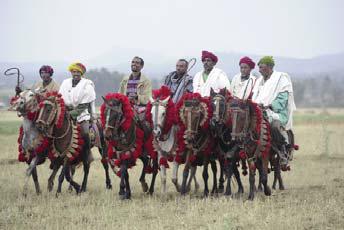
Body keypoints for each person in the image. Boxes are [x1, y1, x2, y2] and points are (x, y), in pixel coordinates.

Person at [252, 56, 296, 170]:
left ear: (270, 67)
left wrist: (270, 106)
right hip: (259, 112)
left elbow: (283, 98)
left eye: (262, 68)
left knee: (275, 126)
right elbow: (254, 97)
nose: (260, 70)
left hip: (277, 113)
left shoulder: (281, 79)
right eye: (259, 68)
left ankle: (283, 151)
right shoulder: (259, 81)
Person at [59, 62, 96, 152]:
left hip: (82, 114)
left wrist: (72, 114)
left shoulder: (87, 84)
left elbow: (84, 104)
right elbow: (60, 98)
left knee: (86, 132)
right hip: (66, 112)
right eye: (73, 71)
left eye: (78, 72)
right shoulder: (65, 83)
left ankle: (87, 152)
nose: (75, 74)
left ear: (81, 73)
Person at [118, 56, 152, 121]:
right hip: (125, 107)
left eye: (137, 63)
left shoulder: (146, 81)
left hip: (140, 109)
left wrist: (137, 97)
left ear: (142, 66)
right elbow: (119, 94)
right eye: (133, 62)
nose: (134, 64)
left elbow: (148, 99)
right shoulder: (125, 79)